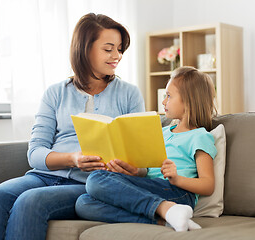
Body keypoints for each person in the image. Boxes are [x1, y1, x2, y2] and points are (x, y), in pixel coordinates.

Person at [0, 13, 145, 240]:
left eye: (120, 49)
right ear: (85, 49)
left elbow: (142, 160)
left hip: (91, 184)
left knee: (29, 201)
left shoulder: (129, 94)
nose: (117, 56)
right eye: (108, 49)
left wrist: (134, 168)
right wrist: (73, 158)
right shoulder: (56, 93)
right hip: (43, 176)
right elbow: (35, 153)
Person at [75, 66, 218, 232]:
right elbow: (149, 170)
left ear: (189, 100)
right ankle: (165, 219)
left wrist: (177, 179)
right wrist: (133, 172)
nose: (163, 101)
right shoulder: (162, 131)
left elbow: (208, 185)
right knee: (83, 203)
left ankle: (166, 208)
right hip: (151, 187)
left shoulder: (199, 136)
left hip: (178, 192)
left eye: (169, 96)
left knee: (95, 179)